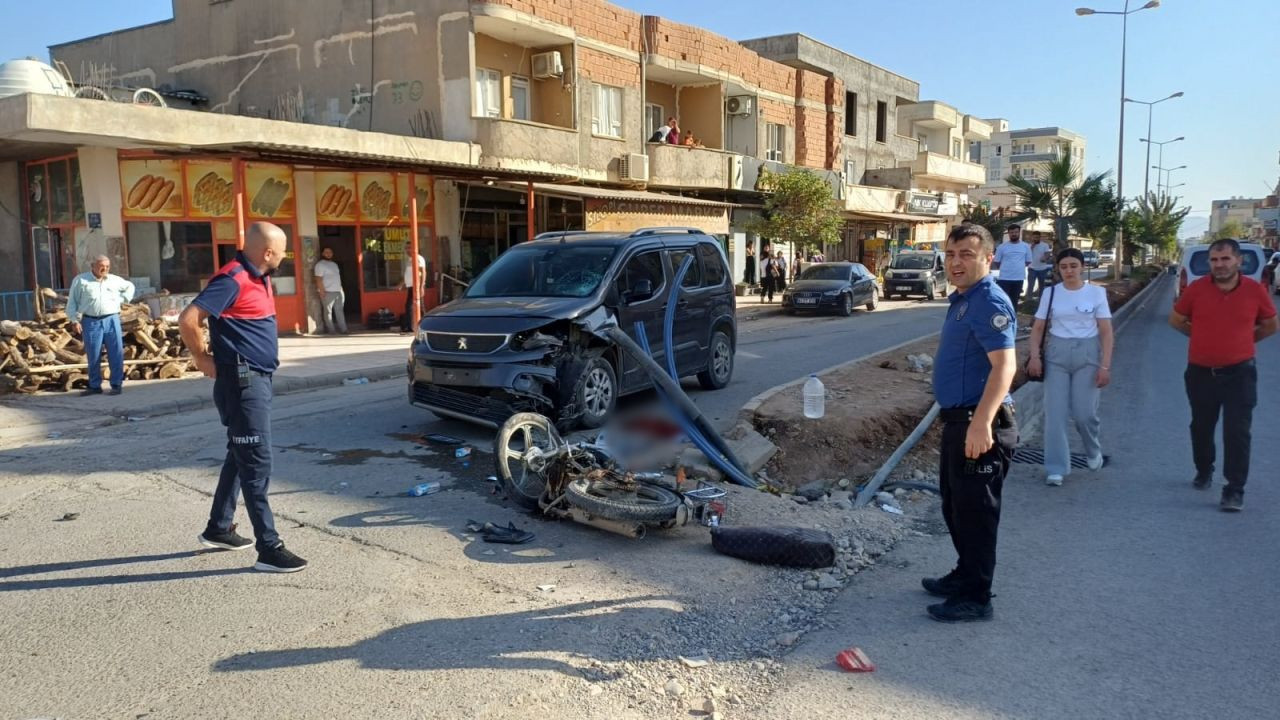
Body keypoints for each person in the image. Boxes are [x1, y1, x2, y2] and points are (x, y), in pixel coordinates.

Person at [178, 221, 307, 572]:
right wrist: (201, 357)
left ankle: (219, 528)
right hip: (242, 383)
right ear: (268, 252)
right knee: (256, 462)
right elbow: (189, 318)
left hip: (256, 379)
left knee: (240, 453)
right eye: (282, 251)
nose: (284, 257)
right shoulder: (233, 278)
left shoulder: (258, 276)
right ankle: (269, 548)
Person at [923, 222, 1018, 623]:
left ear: (988, 258)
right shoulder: (965, 298)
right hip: (960, 421)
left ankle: (977, 597)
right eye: (950, 254)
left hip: (980, 423)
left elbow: (1004, 367)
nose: (955, 262)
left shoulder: (989, 301)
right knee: (956, 507)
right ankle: (965, 574)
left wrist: (981, 423)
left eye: (966, 254)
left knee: (976, 514)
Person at [1168, 238, 1277, 511]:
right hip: (1201, 373)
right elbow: (1176, 320)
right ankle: (1204, 469)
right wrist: (1201, 337)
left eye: (1226, 259)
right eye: (1214, 260)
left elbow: (1270, 325)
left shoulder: (1254, 290)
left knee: (1237, 432)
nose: (1219, 265)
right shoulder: (1197, 289)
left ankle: (1234, 489)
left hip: (1240, 373)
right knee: (1201, 427)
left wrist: (1243, 342)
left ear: (1238, 261)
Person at [1026, 248, 1114, 486]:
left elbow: (1106, 332)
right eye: (1063, 267)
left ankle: (1093, 450)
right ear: (1058, 269)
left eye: (1073, 266)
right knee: (1055, 414)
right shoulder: (1051, 293)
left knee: (1084, 414)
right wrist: (1034, 356)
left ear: (1082, 267)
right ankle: (1056, 468)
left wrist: (1105, 366)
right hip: (1057, 355)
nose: (1069, 271)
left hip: (1088, 355)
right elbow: (1038, 328)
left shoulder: (1096, 293)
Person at [66, 255, 135, 397]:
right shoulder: (81, 280)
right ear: (93, 266)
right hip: (91, 321)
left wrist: (122, 299)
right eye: (101, 266)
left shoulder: (114, 280)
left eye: (107, 266)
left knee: (116, 353)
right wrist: (74, 320)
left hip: (111, 319)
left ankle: (116, 384)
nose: (105, 269)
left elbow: (130, 286)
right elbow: (72, 302)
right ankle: (95, 386)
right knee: (93, 354)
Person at [992, 222, 1032, 308]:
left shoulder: (1025, 246)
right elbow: (997, 261)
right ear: (1009, 233)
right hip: (1004, 278)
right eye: (1012, 232)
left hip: (1018, 278)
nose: (1014, 234)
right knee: (1003, 301)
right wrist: (1006, 268)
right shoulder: (1002, 247)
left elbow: (1028, 261)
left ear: (1019, 232)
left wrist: (1018, 267)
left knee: (1014, 301)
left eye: (1016, 232)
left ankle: (1013, 316)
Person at [313, 247, 348, 335]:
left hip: (338, 291)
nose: (328, 254)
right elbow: (318, 279)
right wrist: (321, 291)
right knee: (328, 312)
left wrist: (341, 289)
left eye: (330, 252)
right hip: (328, 292)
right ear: (322, 254)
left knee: (339, 310)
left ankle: (344, 329)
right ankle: (331, 330)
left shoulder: (334, 264)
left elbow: (337, 277)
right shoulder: (320, 265)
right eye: (326, 252)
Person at [399, 250, 427, 332]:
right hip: (410, 286)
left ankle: (413, 327)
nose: (407, 251)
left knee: (412, 306)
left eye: (409, 248)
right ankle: (413, 326)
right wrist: (402, 284)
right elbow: (408, 274)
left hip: (416, 286)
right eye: (406, 248)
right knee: (412, 306)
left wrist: (421, 286)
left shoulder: (419, 258)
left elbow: (423, 272)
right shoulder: (409, 259)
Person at [1027, 232, 1054, 298]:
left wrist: (1045, 258)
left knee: (1041, 286)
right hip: (1032, 268)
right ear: (1032, 237)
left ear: (1040, 237)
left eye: (1037, 237)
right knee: (1030, 286)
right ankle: (1028, 301)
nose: (1036, 239)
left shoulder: (1045, 245)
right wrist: (1032, 247)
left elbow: (1047, 254)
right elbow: (1027, 254)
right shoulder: (1028, 245)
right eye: (1034, 237)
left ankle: (1041, 300)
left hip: (1042, 269)